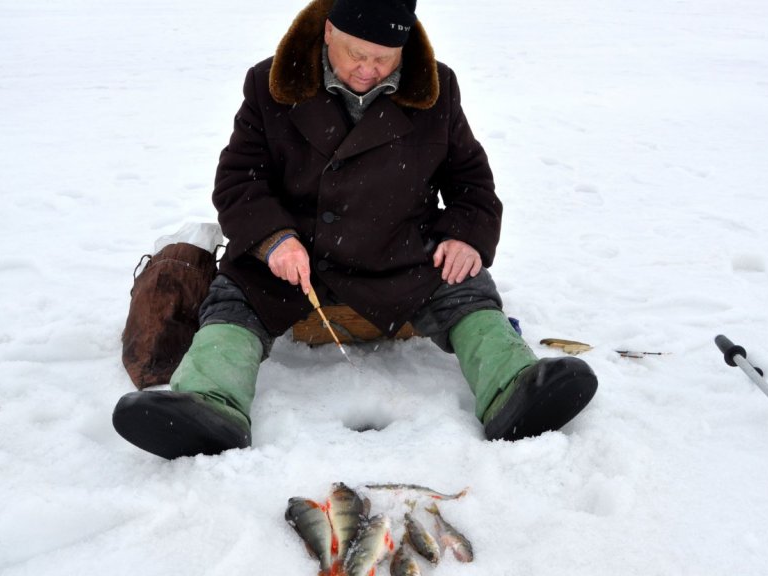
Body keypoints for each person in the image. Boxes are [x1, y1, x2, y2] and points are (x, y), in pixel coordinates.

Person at [112, 0, 598, 459]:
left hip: (401, 254)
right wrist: (273, 238)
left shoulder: (437, 88)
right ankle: (208, 404)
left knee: (465, 293)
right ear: (328, 31)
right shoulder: (270, 84)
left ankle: (513, 388)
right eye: (355, 54)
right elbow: (240, 179)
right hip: (294, 255)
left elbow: (471, 181)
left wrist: (466, 235)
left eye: (384, 58)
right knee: (235, 300)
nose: (368, 69)